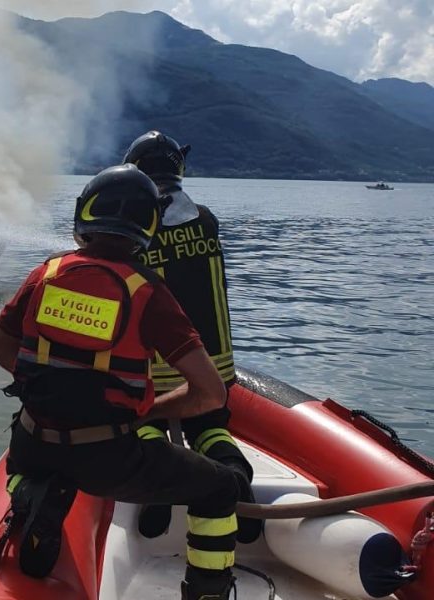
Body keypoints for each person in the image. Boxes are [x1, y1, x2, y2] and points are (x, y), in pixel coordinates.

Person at [0, 164, 240, 599]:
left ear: (84, 214)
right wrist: (149, 409)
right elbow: (209, 393)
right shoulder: (149, 293)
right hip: (105, 458)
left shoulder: (45, 274)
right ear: (149, 227)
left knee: (25, 463)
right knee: (220, 487)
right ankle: (208, 591)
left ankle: (31, 493)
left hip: (33, 444)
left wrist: (41, 388)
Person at [122, 131, 259, 543]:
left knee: (142, 423)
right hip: (212, 364)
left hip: (153, 365)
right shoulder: (206, 219)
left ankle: (157, 481)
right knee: (211, 430)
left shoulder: (135, 228)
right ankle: (233, 476)